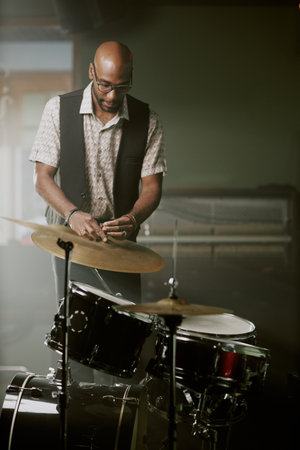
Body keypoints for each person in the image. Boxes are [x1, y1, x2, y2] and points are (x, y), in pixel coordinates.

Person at [29, 41, 167, 383]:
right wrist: (73, 213)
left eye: (121, 87)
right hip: (69, 238)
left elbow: (152, 188)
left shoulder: (147, 119)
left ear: (130, 79)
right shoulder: (57, 109)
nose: (110, 95)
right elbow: (42, 179)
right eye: (104, 85)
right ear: (92, 72)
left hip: (120, 242)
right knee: (74, 336)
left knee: (123, 338)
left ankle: (115, 416)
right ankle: (74, 409)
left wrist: (134, 218)